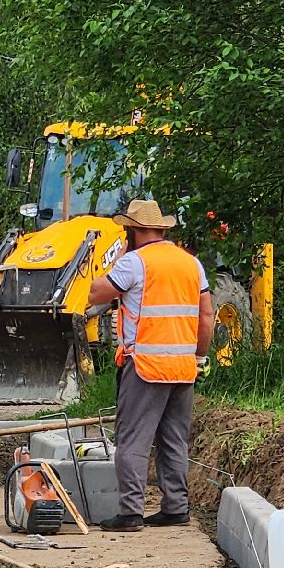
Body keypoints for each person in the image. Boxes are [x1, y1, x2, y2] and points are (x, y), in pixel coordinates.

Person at [85, 199, 214, 532]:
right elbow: (207, 315)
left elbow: (95, 293)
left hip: (145, 366)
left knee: (133, 439)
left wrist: (115, 260)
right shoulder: (191, 263)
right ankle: (176, 508)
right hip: (183, 368)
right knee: (174, 439)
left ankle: (130, 512)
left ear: (133, 230)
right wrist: (199, 357)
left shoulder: (134, 263)